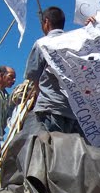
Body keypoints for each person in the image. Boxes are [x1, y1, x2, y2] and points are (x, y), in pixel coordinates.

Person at [25, 7, 82, 135]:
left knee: (49, 146)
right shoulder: (76, 44)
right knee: (69, 147)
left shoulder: (42, 43)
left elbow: (33, 76)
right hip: (73, 112)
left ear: (46, 21)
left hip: (49, 108)